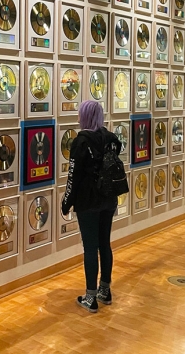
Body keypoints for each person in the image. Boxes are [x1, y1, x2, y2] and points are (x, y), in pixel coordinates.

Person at [61, 101, 122, 314]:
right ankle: (105, 290)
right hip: (109, 198)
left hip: (88, 201)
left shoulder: (81, 142)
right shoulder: (111, 138)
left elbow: (73, 177)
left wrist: (66, 202)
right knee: (104, 243)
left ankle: (90, 296)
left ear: (84, 116)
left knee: (90, 247)